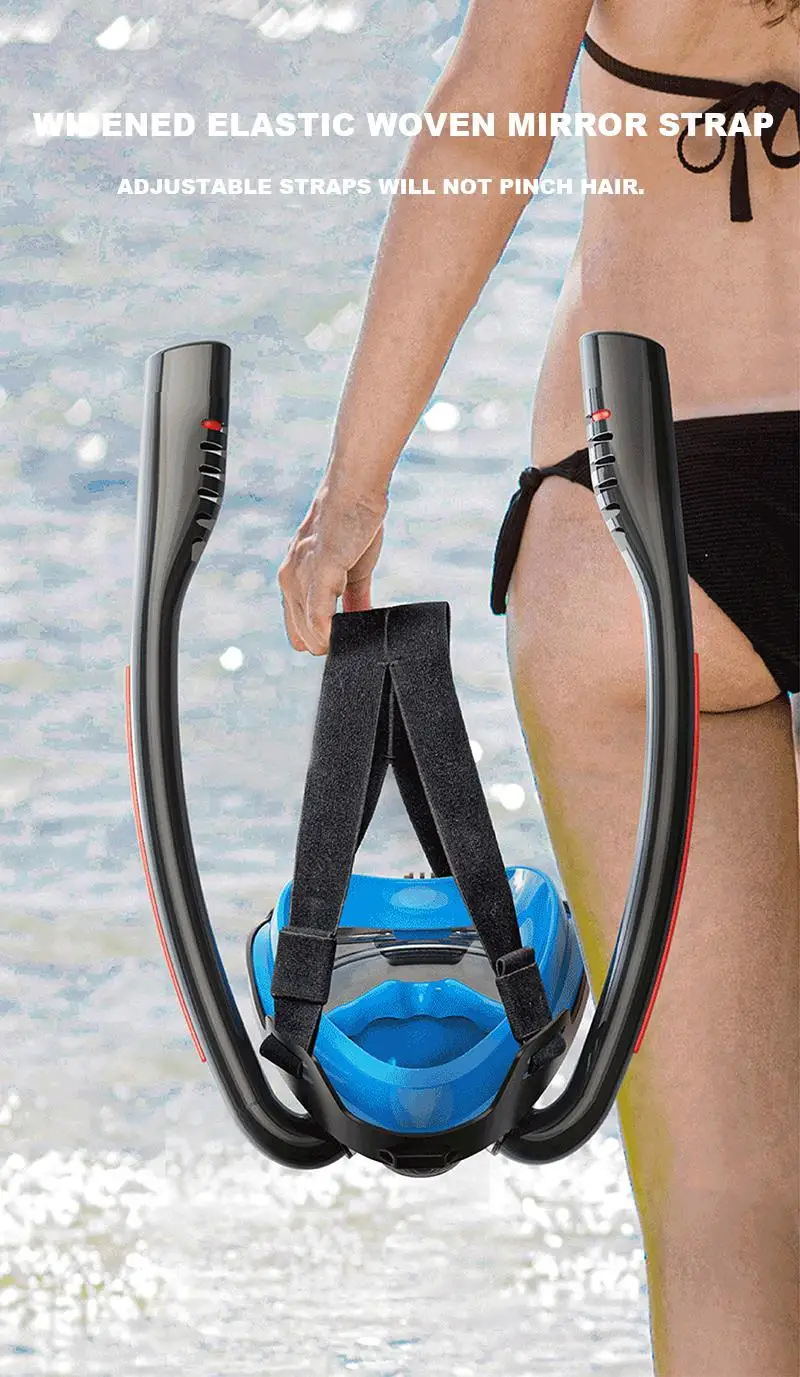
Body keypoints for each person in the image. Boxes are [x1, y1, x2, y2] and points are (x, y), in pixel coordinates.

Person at [277, 3, 800, 1373]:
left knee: (726, 1213)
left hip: (640, 521)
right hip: (649, 521)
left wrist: (354, 489)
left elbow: (483, 125)